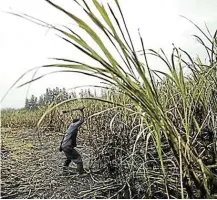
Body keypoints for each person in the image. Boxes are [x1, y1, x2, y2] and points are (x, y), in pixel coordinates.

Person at [59, 107, 85, 175]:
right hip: (67, 146)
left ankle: (64, 171)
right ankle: (81, 172)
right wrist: (81, 111)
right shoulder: (73, 126)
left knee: (69, 158)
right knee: (78, 158)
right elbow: (82, 120)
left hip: (64, 146)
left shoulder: (70, 128)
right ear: (76, 123)